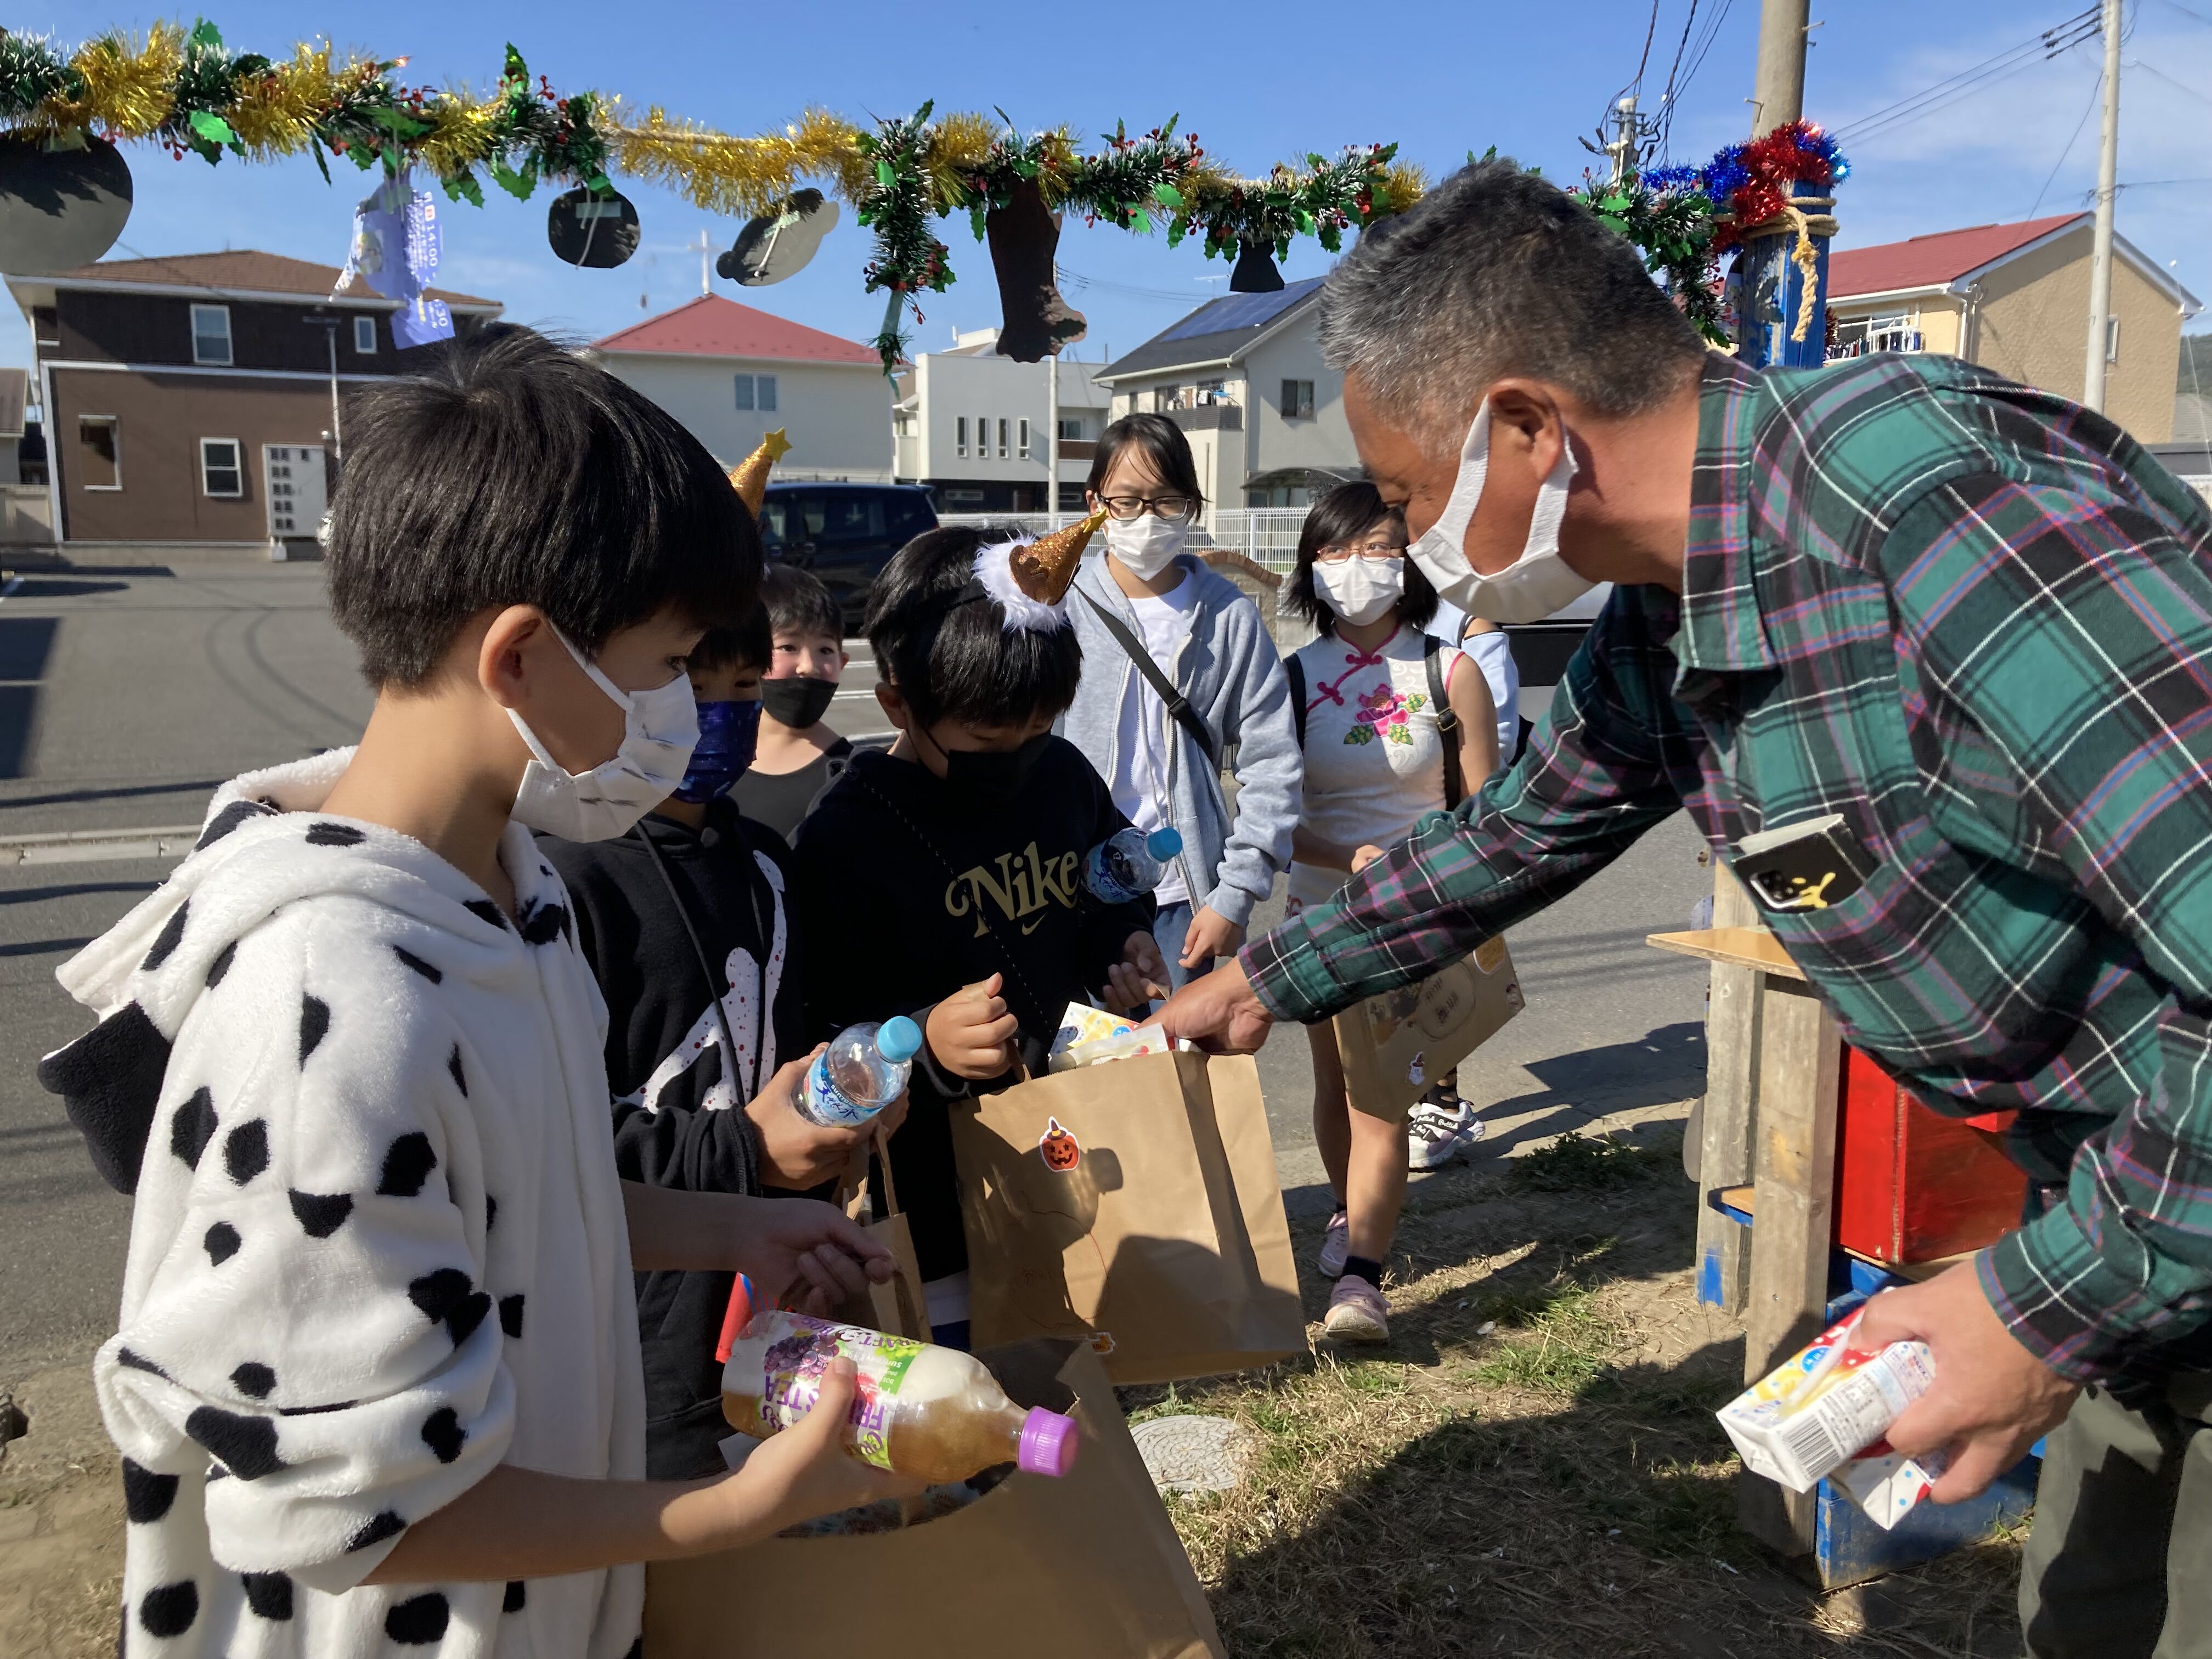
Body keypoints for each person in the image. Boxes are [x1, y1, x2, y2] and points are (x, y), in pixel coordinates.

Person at [1155, 157, 2212, 1657]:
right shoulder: (1681, 596)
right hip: (2143, 1262)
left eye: (1403, 495)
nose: (1402, 542)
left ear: (1528, 428)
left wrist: (2038, 1307)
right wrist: (1274, 978)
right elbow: (1536, 818)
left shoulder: (1926, 521)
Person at [38, 326, 910, 1659]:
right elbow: (349, 1521)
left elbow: (512, 1198)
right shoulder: (334, 998)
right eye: (671, 665)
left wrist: (730, 1230)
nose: (687, 710)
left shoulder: (512, 887)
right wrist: (720, 1512)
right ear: (519, 658)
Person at [540, 599, 905, 1480]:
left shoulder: (768, 866)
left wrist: (853, 1114)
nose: (716, 714)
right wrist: (746, 1153)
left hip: (777, 1299)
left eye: (741, 688)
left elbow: (799, 1042)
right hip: (629, 1325)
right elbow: (553, 1139)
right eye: (685, 685)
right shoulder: (560, 878)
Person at [790, 525, 1167, 1347]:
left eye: (1038, 729)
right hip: (933, 1187)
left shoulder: (1062, 778)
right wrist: (923, 1039)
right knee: (972, 1374)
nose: (1018, 756)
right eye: (988, 741)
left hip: (1068, 1140)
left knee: (1074, 1361)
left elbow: (1104, 890)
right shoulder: (848, 836)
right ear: (898, 703)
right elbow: (821, 1024)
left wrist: (1125, 948)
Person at [1280, 481, 1500, 1341]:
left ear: (1410, 560)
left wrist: (1424, 870)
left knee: (1384, 1097)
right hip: (1315, 914)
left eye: (1376, 548)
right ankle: (1347, 1212)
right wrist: (1345, 859)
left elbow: (1485, 813)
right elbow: (1274, 818)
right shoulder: (1292, 678)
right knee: (1335, 1085)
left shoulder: (1453, 671)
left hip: (1413, 917)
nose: (1356, 568)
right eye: (1335, 551)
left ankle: (1363, 1281)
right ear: (1310, 568)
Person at [1057, 413, 1300, 986]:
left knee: (1177, 1065)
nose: (1147, 518)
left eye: (1167, 501)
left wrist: (1234, 894)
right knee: (1082, 1067)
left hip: (1184, 896)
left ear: (1192, 504)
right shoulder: (1059, 609)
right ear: (1096, 502)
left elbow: (1273, 765)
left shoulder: (1229, 617)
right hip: (1067, 888)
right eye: (1128, 501)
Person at [732, 565, 855, 843]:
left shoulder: (852, 775)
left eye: (825, 650)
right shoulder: (707, 759)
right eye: (789, 647)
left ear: (843, 662)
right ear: (748, 656)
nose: (809, 667)